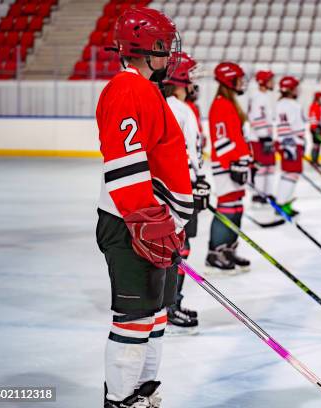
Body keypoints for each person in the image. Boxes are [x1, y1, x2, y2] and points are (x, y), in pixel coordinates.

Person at [95, 7, 204, 407]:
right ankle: (121, 399)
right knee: (135, 320)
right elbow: (123, 167)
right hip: (131, 224)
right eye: (164, 45)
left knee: (154, 316)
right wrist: (148, 221)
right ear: (146, 46)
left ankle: (142, 389)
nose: (169, 53)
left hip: (149, 223)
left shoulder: (144, 89)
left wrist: (168, 220)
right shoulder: (128, 90)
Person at [163, 52, 210, 332]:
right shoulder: (182, 110)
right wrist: (201, 182)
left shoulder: (162, 104)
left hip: (167, 187)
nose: (195, 81)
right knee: (181, 247)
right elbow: (194, 152)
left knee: (172, 246)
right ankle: (171, 304)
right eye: (191, 75)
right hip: (184, 187)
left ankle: (167, 303)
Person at [206, 62, 252, 274]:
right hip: (226, 165)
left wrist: (247, 159)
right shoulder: (220, 104)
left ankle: (229, 249)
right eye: (237, 79)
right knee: (227, 205)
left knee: (237, 206)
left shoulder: (230, 103)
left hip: (236, 164)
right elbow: (221, 139)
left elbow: (238, 136)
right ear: (228, 80)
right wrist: (234, 162)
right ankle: (215, 253)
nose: (241, 82)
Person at [274, 76, 306, 216]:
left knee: (288, 173)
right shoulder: (294, 105)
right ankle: (281, 204)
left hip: (283, 142)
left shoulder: (279, 104)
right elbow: (297, 127)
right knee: (292, 173)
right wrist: (301, 142)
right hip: (292, 143)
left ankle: (283, 203)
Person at [247, 70, 276, 204]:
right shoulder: (258, 97)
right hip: (259, 139)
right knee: (262, 167)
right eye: (270, 80)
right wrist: (264, 136)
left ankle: (268, 193)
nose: (273, 82)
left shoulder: (264, 96)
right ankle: (259, 193)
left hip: (265, 138)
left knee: (269, 166)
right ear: (263, 82)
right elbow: (255, 118)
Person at [308, 91, 321, 164]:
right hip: (315, 128)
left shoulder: (320, 106)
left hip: (318, 127)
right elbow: (313, 117)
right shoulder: (314, 106)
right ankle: (314, 160)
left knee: (319, 143)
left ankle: (315, 159)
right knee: (316, 144)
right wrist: (315, 128)